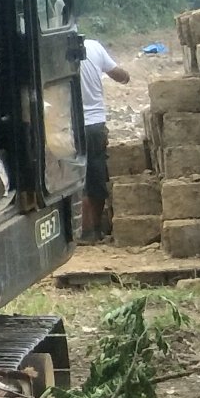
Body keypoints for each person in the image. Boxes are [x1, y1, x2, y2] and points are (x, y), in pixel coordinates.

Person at [79, 32, 131, 242]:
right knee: (97, 176)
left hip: (69, 126)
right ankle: (97, 229)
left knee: (78, 180)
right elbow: (120, 75)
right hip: (95, 125)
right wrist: (126, 75)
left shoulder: (56, 51)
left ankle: (85, 231)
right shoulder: (94, 47)